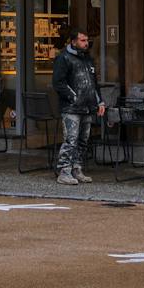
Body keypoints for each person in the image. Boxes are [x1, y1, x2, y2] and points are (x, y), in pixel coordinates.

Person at [50, 29, 104, 186]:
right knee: (70, 140)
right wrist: (73, 97)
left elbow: (94, 84)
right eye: (82, 40)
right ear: (73, 42)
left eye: (87, 40)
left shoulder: (88, 59)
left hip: (87, 106)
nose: (86, 43)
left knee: (83, 140)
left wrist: (99, 102)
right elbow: (58, 83)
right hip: (71, 108)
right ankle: (64, 171)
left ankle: (77, 168)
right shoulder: (63, 58)